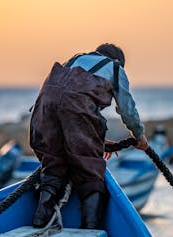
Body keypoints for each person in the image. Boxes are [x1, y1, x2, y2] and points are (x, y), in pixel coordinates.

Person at [29, 43, 149, 229]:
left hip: (43, 110)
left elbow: (61, 103)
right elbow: (127, 109)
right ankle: (89, 226)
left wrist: (95, 140)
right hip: (76, 108)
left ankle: (41, 216)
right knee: (89, 169)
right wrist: (139, 136)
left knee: (54, 163)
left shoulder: (73, 60)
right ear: (117, 60)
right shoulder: (115, 68)